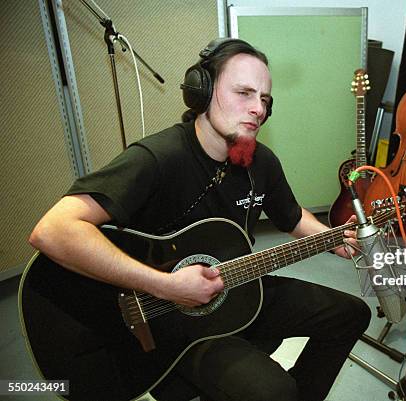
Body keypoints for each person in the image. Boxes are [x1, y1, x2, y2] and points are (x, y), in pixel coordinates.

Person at [28, 38, 371, 401]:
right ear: (201, 91)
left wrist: (334, 238)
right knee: (274, 391)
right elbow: (53, 231)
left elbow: (290, 215)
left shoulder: (261, 162)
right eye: (244, 93)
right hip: (164, 322)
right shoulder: (158, 159)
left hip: (237, 292)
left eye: (265, 100)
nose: (258, 109)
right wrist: (166, 286)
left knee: (351, 313)